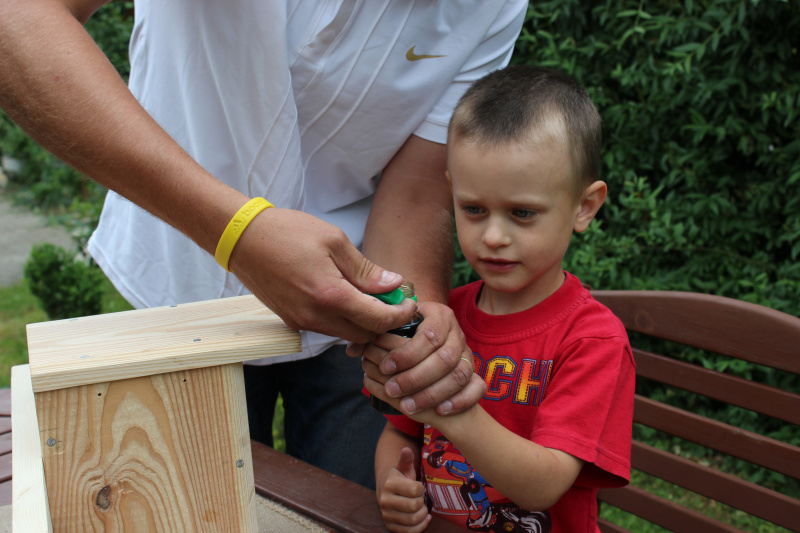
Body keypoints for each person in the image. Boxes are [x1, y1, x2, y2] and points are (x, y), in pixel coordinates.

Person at [0, 0, 528, 488]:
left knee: (343, 511)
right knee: (184, 504)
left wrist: (415, 321)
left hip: (353, 313)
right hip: (177, 282)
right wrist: (238, 233)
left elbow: (415, 191)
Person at [364, 65, 636, 531]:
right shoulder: (443, 317)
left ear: (584, 206)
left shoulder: (593, 340)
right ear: (451, 192)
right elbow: (400, 431)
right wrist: (394, 482)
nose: (492, 236)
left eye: (522, 213)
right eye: (473, 209)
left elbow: (545, 484)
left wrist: (452, 410)